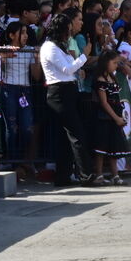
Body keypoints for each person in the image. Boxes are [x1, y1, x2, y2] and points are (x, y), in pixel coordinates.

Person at [40, 13, 94, 186]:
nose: (69, 33)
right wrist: (84, 55)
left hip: (68, 91)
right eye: (68, 30)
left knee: (66, 138)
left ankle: (63, 176)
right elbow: (68, 68)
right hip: (59, 92)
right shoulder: (49, 47)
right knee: (76, 135)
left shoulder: (59, 46)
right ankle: (86, 175)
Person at [0, 19, 37, 177]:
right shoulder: (4, 49)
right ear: (11, 35)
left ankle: (22, 160)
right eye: (22, 32)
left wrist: (37, 58)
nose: (26, 35)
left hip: (25, 91)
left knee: (27, 128)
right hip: (9, 89)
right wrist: (3, 58)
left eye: (27, 32)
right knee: (11, 128)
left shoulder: (29, 50)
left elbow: (36, 75)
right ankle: (13, 162)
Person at [90, 49, 128, 186]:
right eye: (114, 63)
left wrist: (119, 117)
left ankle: (115, 175)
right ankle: (99, 174)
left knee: (114, 147)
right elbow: (104, 103)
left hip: (115, 116)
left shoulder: (113, 77)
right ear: (106, 63)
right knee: (101, 147)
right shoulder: (100, 79)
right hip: (104, 117)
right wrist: (116, 118)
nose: (116, 65)